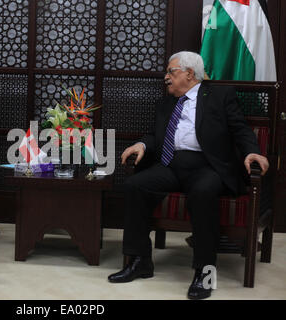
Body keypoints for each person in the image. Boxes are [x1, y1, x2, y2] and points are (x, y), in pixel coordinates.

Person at [107, 51, 269, 299]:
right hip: (170, 165)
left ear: (189, 74)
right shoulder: (166, 103)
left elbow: (240, 129)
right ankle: (140, 261)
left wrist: (252, 153)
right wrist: (142, 145)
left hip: (208, 167)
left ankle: (205, 273)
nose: (166, 77)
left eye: (171, 72)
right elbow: (154, 134)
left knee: (202, 192)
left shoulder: (219, 96)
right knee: (134, 185)